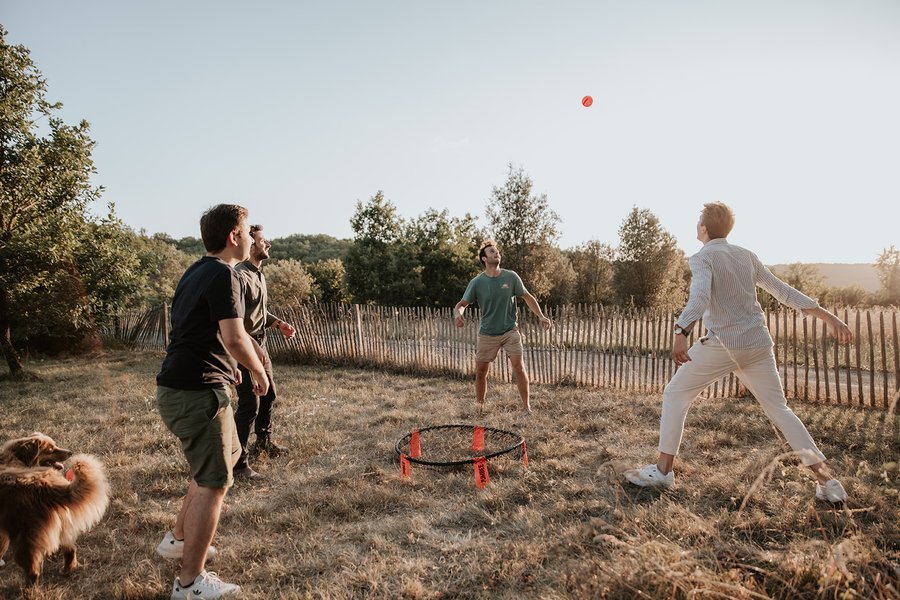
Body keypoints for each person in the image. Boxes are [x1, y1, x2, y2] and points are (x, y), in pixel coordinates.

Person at [625, 202, 853, 503]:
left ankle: (663, 471)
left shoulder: (702, 257)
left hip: (725, 344)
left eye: (698, 222)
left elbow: (700, 296)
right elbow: (781, 291)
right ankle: (829, 483)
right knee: (780, 411)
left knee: (675, 394)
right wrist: (829, 316)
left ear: (704, 229)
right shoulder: (747, 256)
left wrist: (681, 331)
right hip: (758, 344)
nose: (697, 226)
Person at [155, 204, 269, 599]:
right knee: (214, 482)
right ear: (232, 237)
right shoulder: (225, 275)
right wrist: (257, 370)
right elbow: (236, 337)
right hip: (197, 393)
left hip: (180, 387)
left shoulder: (195, 271)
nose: (251, 238)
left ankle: (178, 539)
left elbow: (202, 330)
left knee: (224, 458)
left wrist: (227, 367)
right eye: (245, 231)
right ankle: (190, 583)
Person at [454, 240, 552, 413]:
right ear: (484, 258)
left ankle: (526, 408)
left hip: (509, 331)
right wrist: (458, 314)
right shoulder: (477, 282)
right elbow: (461, 304)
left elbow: (528, 297)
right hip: (487, 333)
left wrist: (541, 316)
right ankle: (480, 406)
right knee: (481, 371)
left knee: (518, 366)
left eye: (497, 251)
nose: (496, 253)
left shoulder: (511, 277)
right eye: (492, 251)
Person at [232, 224, 296, 480]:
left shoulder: (259, 274)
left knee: (268, 394)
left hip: (262, 342)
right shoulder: (239, 276)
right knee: (249, 403)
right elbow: (234, 320)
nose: (267, 244)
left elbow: (259, 312)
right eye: (262, 240)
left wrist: (278, 323)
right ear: (251, 244)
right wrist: (249, 344)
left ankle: (265, 442)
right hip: (243, 344)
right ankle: (237, 462)